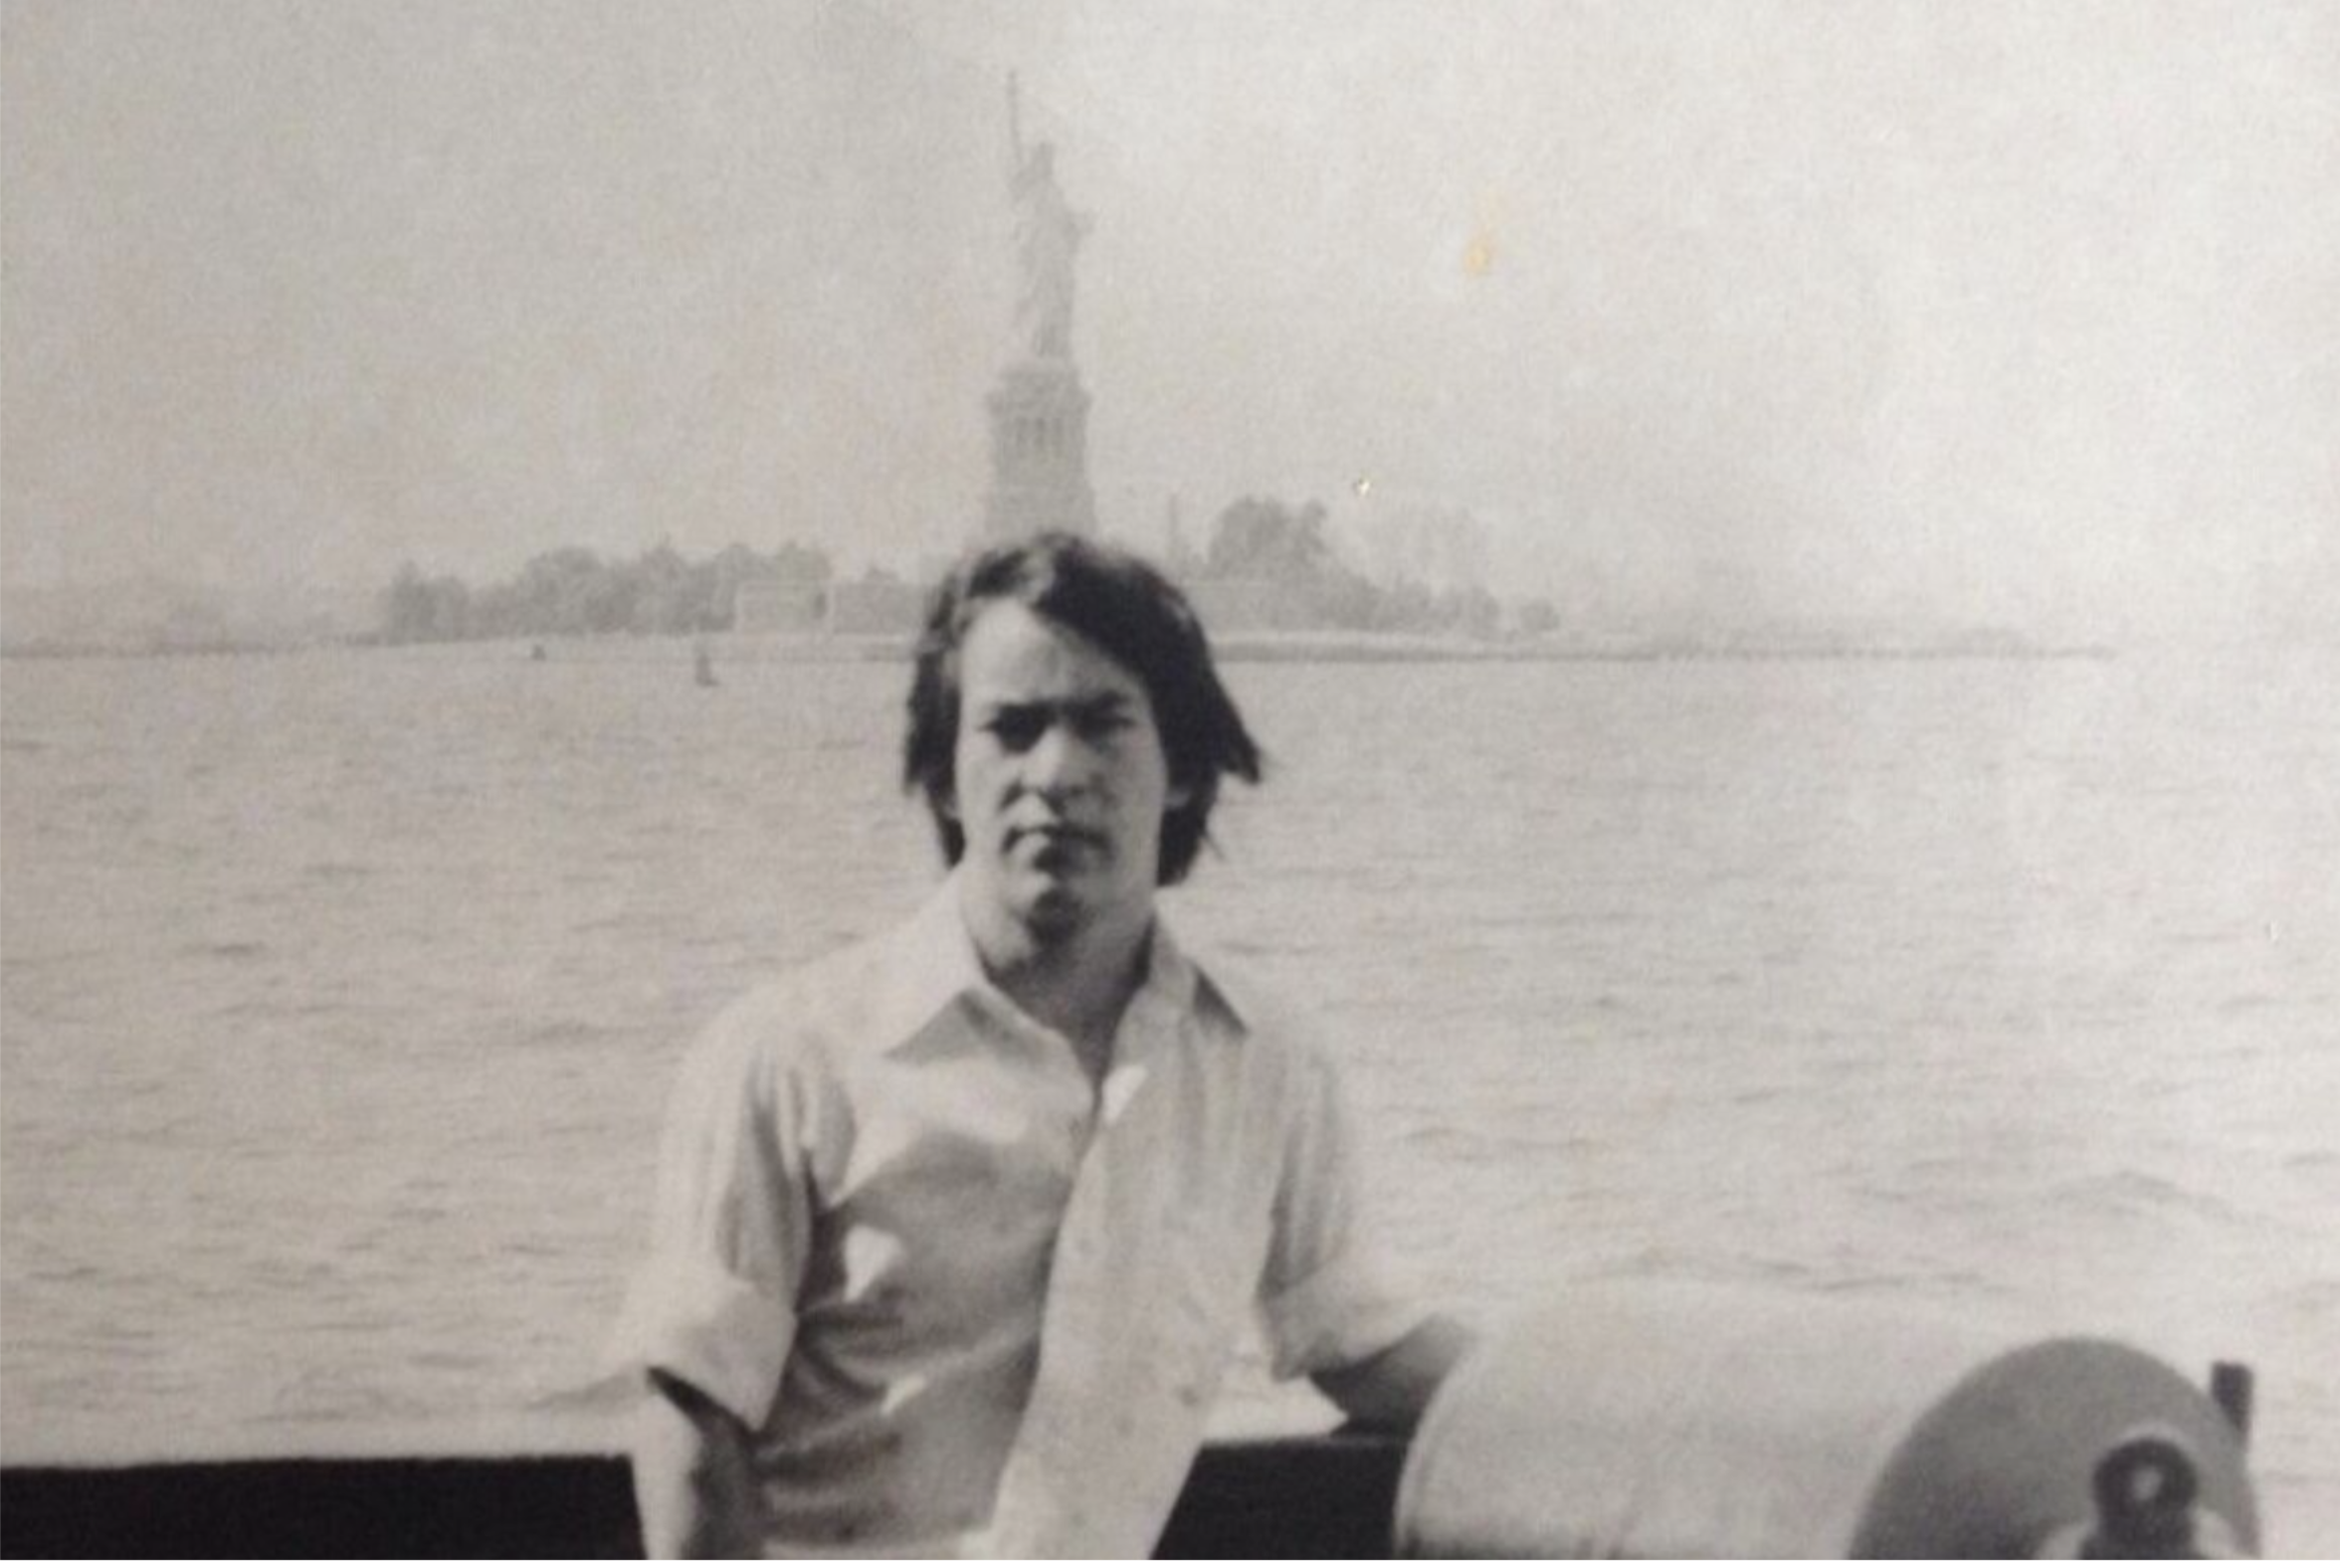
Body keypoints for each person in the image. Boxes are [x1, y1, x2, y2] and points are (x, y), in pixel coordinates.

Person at [610, 531, 1471, 1557]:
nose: (1055, 773)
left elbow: (1364, 1343)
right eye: (1011, 730)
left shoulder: (1263, 1065)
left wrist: (1624, 1400)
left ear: (1186, 770)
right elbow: (690, 1414)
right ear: (941, 777)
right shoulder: (786, 1058)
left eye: (1104, 725)